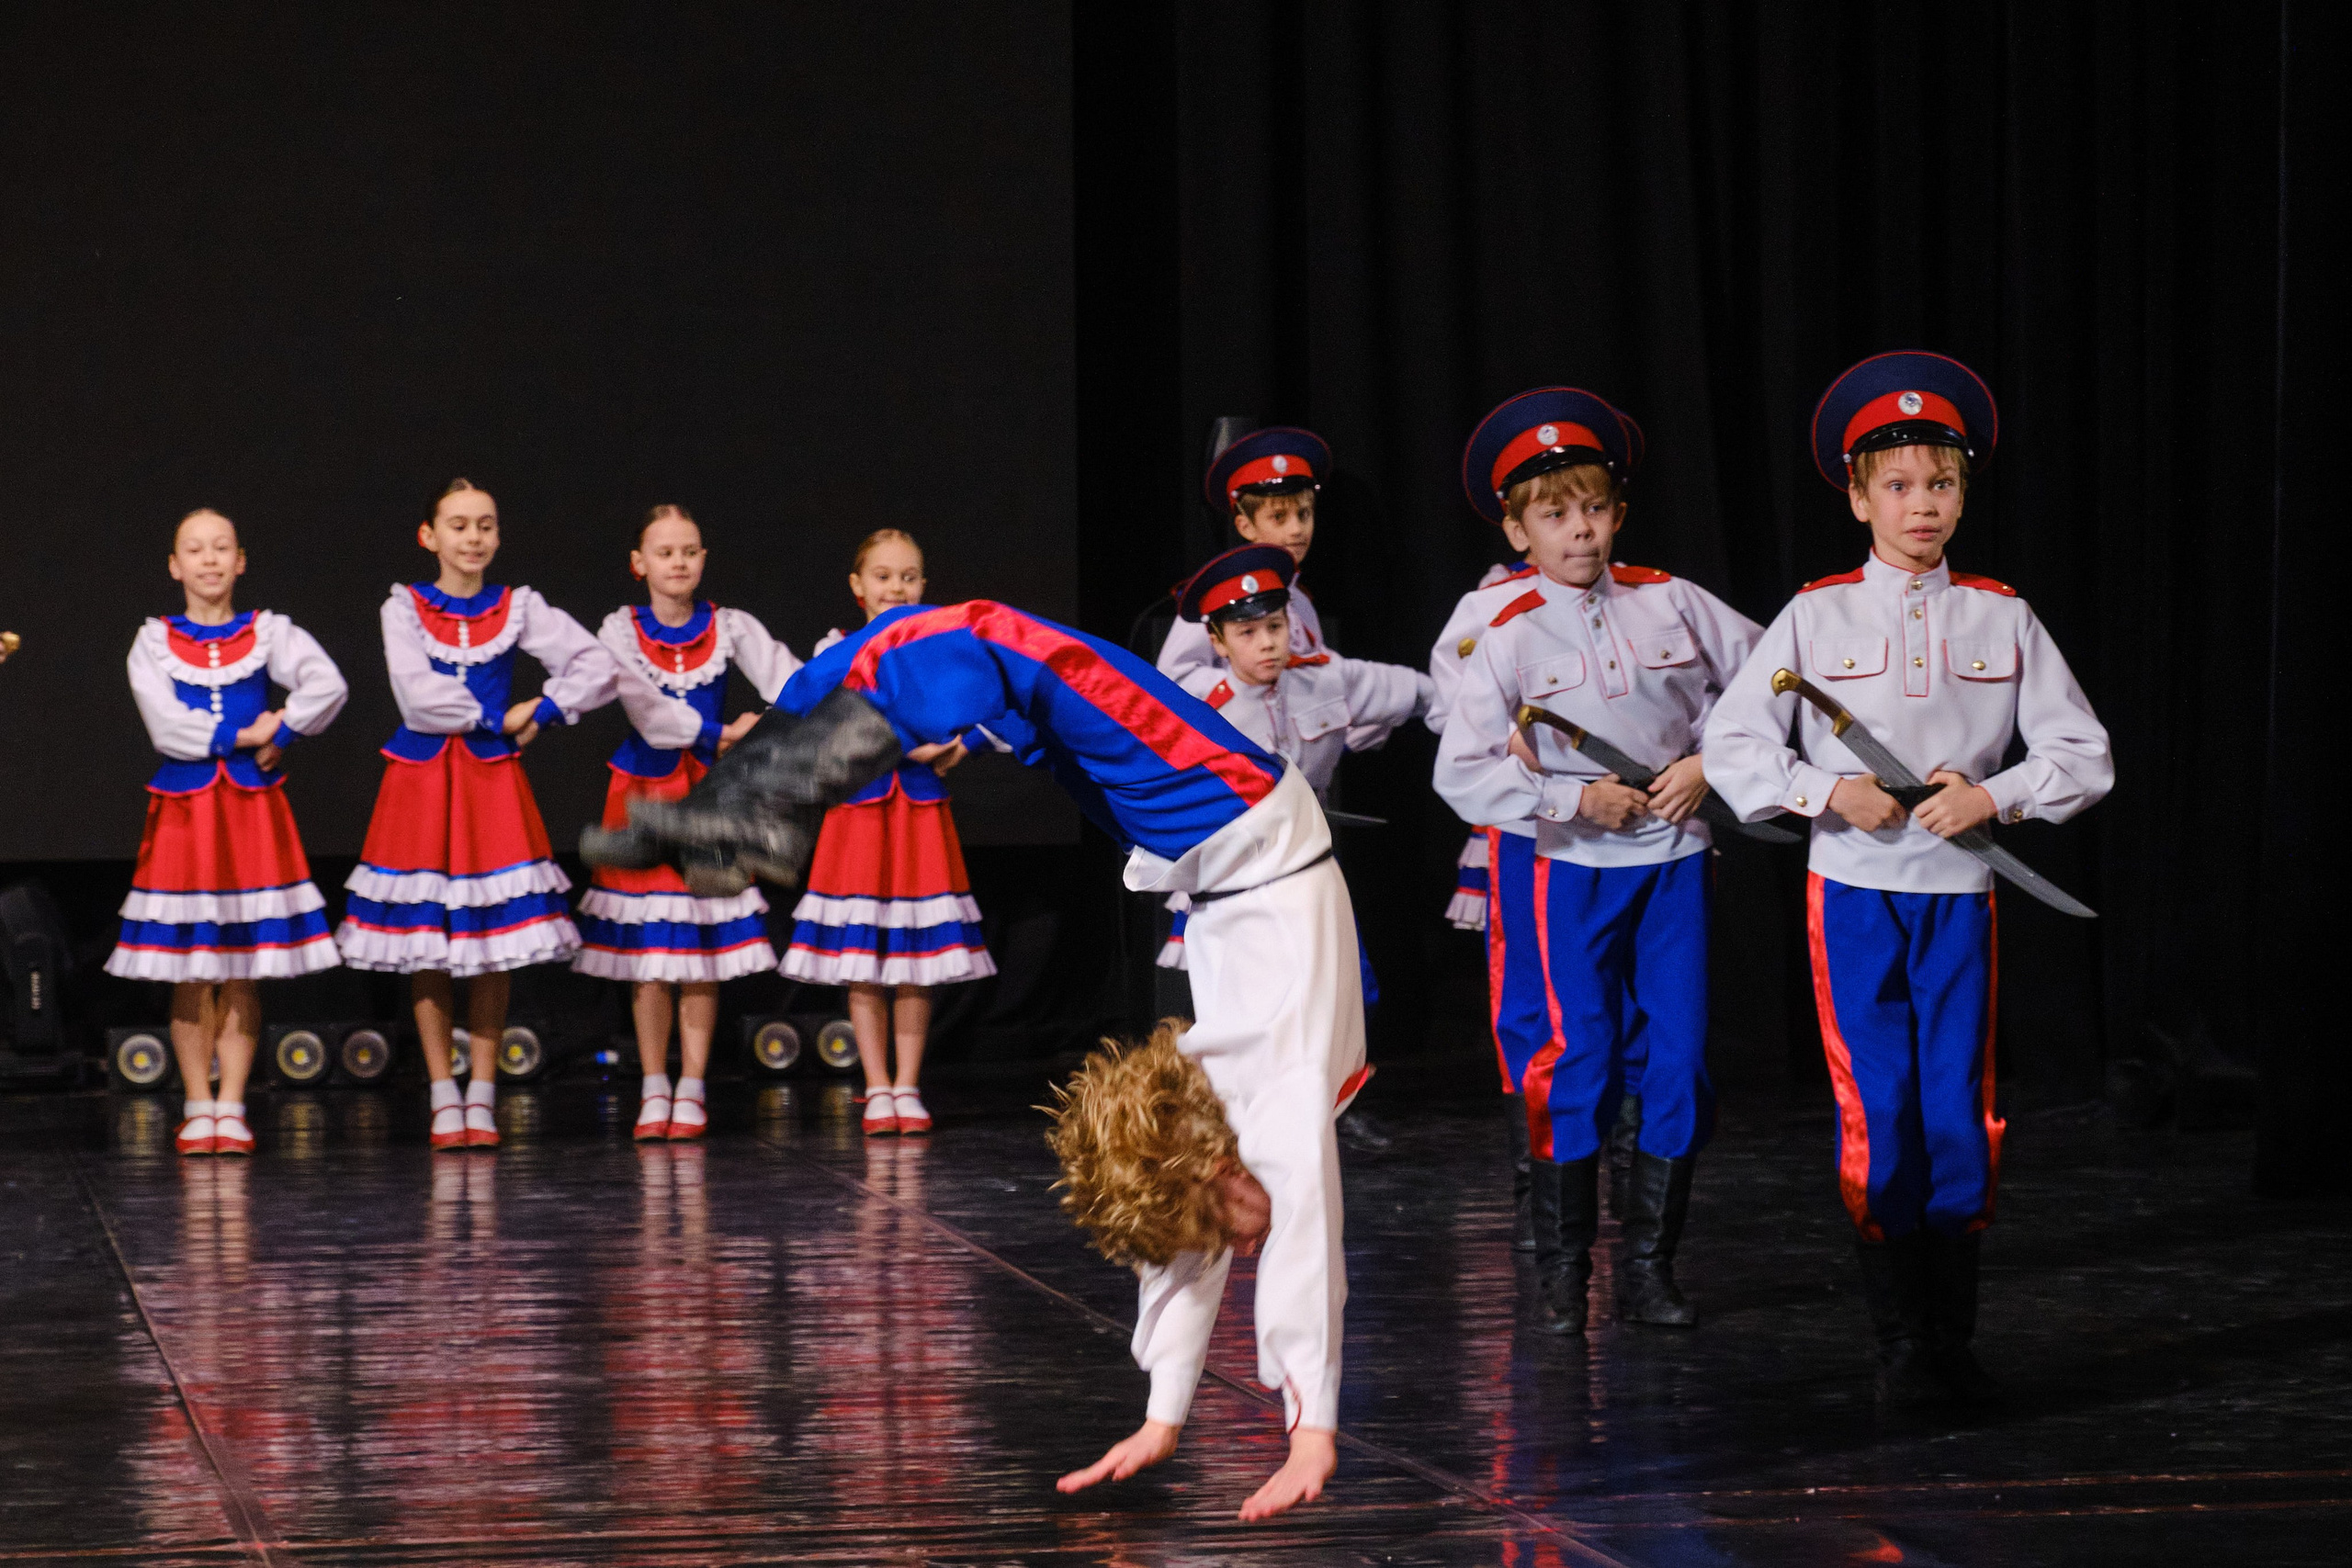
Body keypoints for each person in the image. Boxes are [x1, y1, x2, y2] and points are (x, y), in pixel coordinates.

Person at [584, 598, 1362, 1521]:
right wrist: (1309, 1424)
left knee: (988, 663)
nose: (1243, 1248)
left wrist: (1164, 1415)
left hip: (1202, 839)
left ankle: (757, 784)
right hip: (1233, 814)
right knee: (986, 644)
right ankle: (758, 789)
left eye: (1223, 1234)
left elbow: (1189, 1249)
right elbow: (1304, 1246)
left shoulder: (1221, 1133)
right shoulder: (1280, 1115)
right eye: (1234, 1235)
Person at [1703, 352, 2113, 1404]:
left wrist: (1994, 797)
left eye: (1939, 483)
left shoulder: (2000, 615)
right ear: (1856, 495)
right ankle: (1897, 1344)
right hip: (1852, 894)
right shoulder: (1814, 616)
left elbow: (2081, 753)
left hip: (1958, 897)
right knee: (1877, 1106)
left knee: (1954, 1109)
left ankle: (1950, 1338)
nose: (1920, 505)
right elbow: (1735, 745)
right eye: (1897, 485)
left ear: (1963, 493)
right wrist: (1822, 793)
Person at [1435, 387, 1761, 1334]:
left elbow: (1775, 678)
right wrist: (1571, 798)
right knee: (1575, 1056)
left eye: (1591, 508)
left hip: (1674, 862)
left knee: (1679, 1056)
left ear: (1617, 512)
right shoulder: (1505, 627)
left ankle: (1651, 1265)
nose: (1577, 531)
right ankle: (1561, 1272)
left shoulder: (1673, 599)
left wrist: (1709, 761)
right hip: (1568, 868)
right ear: (1517, 526)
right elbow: (1460, 770)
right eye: (1553, 513)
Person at [335, 479, 617, 1151]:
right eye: (458, 525)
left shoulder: (516, 607)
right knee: (426, 942)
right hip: (425, 778)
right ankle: (442, 1091)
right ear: (428, 536)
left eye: (485, 525)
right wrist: (496, 715)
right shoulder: (403, 606)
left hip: (490, 783)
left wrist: (544, 709)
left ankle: (482, 1093)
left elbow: (597, 665)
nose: (473, 538)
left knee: (495, 940)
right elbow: (417, 695)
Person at [107, 508, 348, 1156]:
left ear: (240, 561)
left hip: (248, 808)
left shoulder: (269, 632)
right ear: (174, 565)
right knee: (190, 962)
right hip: (188, 808)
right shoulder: (153, 640)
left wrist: (288, 728)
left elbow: (328, 684)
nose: (209, 559)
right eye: (195, 549)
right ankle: (196, 1103)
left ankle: (233, 1104)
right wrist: (247, 735)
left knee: (243, 962)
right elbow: (166, 725)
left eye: (222, 548)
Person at [576, 504, 802, 1141]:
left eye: (690, 550)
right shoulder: (620, 629)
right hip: (645, 789)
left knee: (702, 943)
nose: (679, 561)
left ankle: (693, 1084)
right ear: (638, 563)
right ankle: (654, 1083)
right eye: (666, 551)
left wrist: (765, 729)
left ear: (703, 559)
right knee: (652, 948)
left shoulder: (728, 626)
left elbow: (791, 679)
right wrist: (720, 731)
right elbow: (644, 706)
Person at [778, 530, 993, 1137]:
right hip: (860, 813)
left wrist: (964, 744)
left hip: (919, 810)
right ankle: (876, 1084)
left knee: (916, 954)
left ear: (924, 585)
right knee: (863, 953)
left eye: (908, 576)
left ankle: (908, 1083)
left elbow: (999, 699)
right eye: (883, 576)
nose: (895, 587)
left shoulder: (944, 646)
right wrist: (905, 743)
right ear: (858, 586)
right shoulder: (837, 648)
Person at [1155, 544, 1429, 995]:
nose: (1267, 642)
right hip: (1235, 872)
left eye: (1276, 626)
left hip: (1309, 858)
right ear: (1218, 642)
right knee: (1253, 992)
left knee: (1348, 986)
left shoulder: (1325, 680)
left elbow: (1420, 692)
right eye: (1247, 632)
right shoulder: (1197, 705)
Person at [1157, 426, 1335, 685]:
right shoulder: (1221, 593)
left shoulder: (1301, 603)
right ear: (1245, 526)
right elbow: (1174, 677)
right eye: (1278, 517)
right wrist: (1247, 689)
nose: (1297, 529)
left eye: (1304, 514)